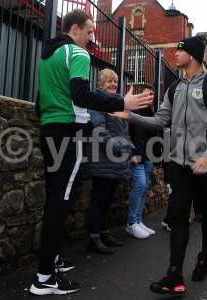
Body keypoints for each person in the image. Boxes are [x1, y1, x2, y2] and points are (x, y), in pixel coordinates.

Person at [30, 9, 153, 296]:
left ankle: (52, 260)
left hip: (49, 130)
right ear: (74, 30)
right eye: (89, 32)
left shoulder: (47, 55)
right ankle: (44, 277)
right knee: (61, 202)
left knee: (54, 199)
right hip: (69, 133)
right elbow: (81, 95)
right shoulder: (77, 54)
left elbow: (39, 102)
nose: (91, 38)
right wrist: (121, 101)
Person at [112, 36, 207, 296]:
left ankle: (205, 256)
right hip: (178, 163)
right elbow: (161, 119)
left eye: (181, 50)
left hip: (205, 164)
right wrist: (129, 115)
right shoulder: (174, 88)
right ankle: (174, 274)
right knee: (177, 214)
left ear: (194, 56)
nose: (175, 54)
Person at [87, 69, 132, 254]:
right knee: (98, 200)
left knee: (108, 200)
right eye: (109, 82)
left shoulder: (117, 104)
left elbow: (124, 132)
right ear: (100, 84)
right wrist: (119, 148)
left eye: (115, 81)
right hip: (103, 158)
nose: (113, 84)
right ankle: (93, 237)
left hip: (116, 160)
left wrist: (129, 149)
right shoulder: (97, 103)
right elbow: (99, 130)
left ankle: (104, 232)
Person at [126, 84, 158, 239]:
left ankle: (138, 220)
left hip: (149, 156)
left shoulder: (152, 114)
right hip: (137, 155)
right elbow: (127, 133)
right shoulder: (133, 112)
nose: (148, 97)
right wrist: (132, 152)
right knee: (140, 185)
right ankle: (131, 223)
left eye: (151, 95)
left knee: (145, 187)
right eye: (145, 95)